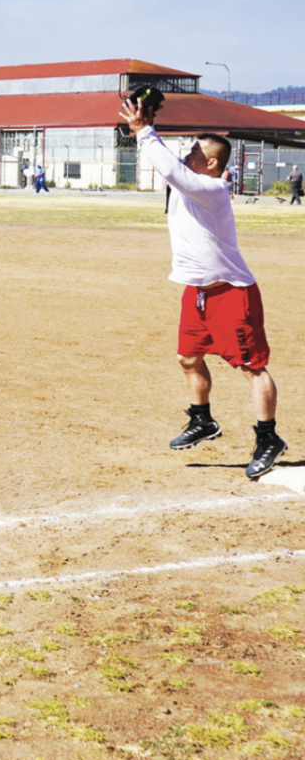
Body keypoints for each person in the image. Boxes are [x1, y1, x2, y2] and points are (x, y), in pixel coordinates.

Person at [119, 97, 287, 479]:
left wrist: (144, 131)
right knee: (188, 358)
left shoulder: (210, 191)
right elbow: (167, 166)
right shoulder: (189, 183)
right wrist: (146, 124)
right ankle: (203, 421)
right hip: (196, 292)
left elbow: (172, 171)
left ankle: (268, 438)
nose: (187, 154)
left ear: (211, 163)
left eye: (194, 150)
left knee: (252, 368)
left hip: (231, 293)